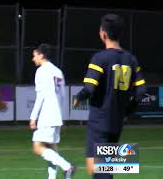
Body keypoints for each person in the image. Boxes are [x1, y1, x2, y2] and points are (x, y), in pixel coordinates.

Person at [72, 14, 146, 179]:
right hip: (116, 122)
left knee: (98, 169)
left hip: (99, 121)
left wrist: (78, 97)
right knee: (105, 167)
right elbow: (141, 92)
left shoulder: (100, 58)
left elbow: (89, 88)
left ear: (103, 34)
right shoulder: (131, 60)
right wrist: (127, 111)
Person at [29, 43, 76, 179]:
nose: (33, 59)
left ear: (41, 55)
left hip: (47, 115)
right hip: (56, 116)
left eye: (35, 56)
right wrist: (62, 117)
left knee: (38, 147)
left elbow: (41, 96)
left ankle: (67, 167)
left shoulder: (42, 71)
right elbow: (63, 96)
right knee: (51, 149)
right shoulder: (58, 71)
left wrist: (33, 117)